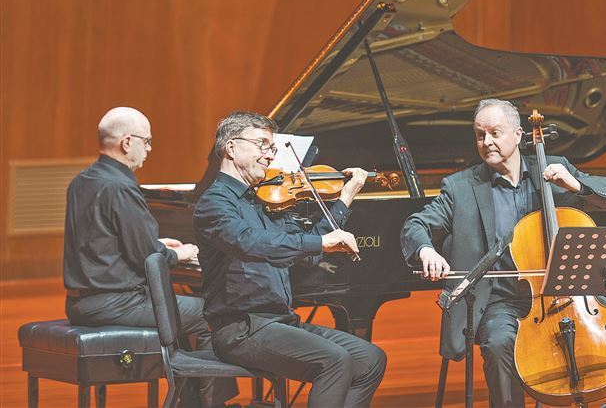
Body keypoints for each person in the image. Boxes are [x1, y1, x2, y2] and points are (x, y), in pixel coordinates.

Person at [400, 99, 606, 408]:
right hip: (503, 302)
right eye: (480, 135)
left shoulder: (554, 169)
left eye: (495, 133)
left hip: (569, 295)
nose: (487, 142)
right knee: (499, 344)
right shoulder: (461, 187)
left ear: (518, 135)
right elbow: (415, 224)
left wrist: (576, 185)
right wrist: (426, 250)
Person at [193, 111, 387, 408]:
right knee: (335, 361)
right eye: (262, 145)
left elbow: (306, 253)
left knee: (370, 359)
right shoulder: (215, 202)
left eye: (272, 148)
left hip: (280, 321)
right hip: (241, 329)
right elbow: (249, 243)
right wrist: (320, 242)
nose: (270, 155)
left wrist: (344, 199)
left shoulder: (264, 201)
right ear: (231, 147)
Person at [64, 106, 238, 407]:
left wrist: (156, 242)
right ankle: (210, 404)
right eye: (146, 141)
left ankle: (191, 400)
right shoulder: (121, 187)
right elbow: (147, 257)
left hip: (81, 303)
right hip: (116, 303)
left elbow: (100, 240)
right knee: (210, 312)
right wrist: (179, 253)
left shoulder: (82, 181)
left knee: (185, 311)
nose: (149, 148)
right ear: (127, 142)